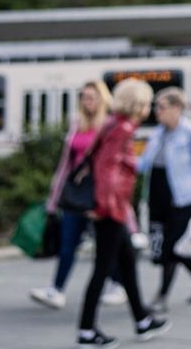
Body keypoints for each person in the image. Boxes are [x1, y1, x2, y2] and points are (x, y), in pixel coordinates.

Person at [75, 78, 169, 349]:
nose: (149, 108)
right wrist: (106, 208)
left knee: (127, 262)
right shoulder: (123, 128)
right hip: (110, 210)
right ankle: (86, 331)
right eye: (147, 102)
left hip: (111, 208)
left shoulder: (114, 124)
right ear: (137, 104)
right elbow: (106, 171)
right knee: (102, 269)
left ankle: (141, 320)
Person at [30, 80, 128, 310]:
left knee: (105, 244)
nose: (87, 101)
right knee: (68, 244)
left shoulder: (109, 124)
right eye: (84, 97)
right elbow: (66, 163)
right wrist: (55, 194)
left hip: (98, 196)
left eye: (92, 97)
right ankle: (56, 290)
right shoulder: (77, 123)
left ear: (102, 99)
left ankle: (118, 284)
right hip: (75, 195)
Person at [139, 86, 191, 315]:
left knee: (173, 247)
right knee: (170, 247)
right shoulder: (158, 134)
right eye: (155, 106)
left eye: (161, 107)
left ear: (176, 108)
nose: (157, 111)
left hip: (183, 198)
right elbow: (144, 163)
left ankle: (162, 295)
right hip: (158, 195)